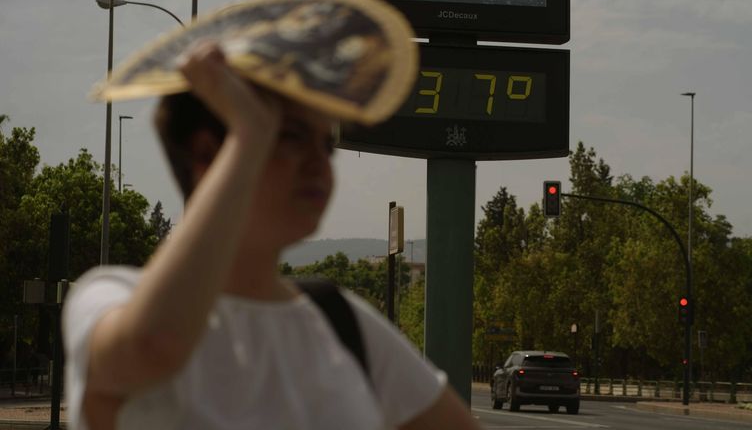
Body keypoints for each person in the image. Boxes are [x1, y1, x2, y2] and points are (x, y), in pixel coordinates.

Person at [62, 42, 482, 429]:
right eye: (291, 137)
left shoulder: (340, 321)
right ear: (209, 154)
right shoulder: (107, 297)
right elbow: (154, 346)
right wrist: (250, 134)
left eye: (326, 144)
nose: (319, 162)